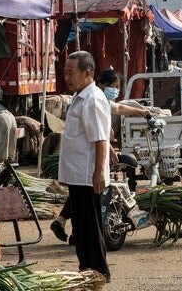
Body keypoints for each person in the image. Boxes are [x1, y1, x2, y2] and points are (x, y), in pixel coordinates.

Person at [51, 69, 152, 243]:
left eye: (118, 87)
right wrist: (108, 151)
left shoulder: (99, 100)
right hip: (88, 160)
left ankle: (68, 227)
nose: (116, 90)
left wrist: (142, 112)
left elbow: (119, 108)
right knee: (85, 196)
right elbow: (97, 135)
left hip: (85, 160)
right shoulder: (94, 100)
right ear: (101, 84)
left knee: (81, 196)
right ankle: (75, 231)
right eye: (113, 86)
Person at [59, 50, 112, 278]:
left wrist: (99, 172)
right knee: (81, 228)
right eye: (65, 73)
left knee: (89, 227)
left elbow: (100, 138)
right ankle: (87, 269)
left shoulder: (92, 99)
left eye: (71, 73)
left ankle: (98, 271)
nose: (67, 78)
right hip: (77, 175)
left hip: (87, 175)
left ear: (87, 73)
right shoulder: (80, 97)